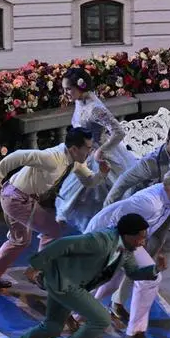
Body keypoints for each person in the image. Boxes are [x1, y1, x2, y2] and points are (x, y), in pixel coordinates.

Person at [0, 214, 163, 338]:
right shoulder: (101, 241)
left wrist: (155, 269)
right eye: (140, 237)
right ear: (128, 234)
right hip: (65, 282)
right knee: (102, 319)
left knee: (52, 327)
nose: (143, 242)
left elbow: (133, 273)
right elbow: (64, 244)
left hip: (70, 283)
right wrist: (34, 266)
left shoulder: (126, 251)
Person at [86, 169, 170, 338]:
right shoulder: (148, 203)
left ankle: (77, 315)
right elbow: (116, 223)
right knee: (148, 278)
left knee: (112, 283)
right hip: (108, 235)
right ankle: (135, 332)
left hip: (125, 238)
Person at [0, 127, 108, 291]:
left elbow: (89, 181)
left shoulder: (75, 161)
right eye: (88, 148)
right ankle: (37, 271)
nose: (90, 151)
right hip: (16, 199)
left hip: (14, 196)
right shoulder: (52, 158)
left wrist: (101, 174)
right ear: (74, 149)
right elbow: (18, 156)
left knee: (20, 241)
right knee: (52, 229)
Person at [55, 66, 137, 232]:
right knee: (78, 194)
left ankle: (104, 230)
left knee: (100, 195)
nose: (66, 93)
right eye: (65, 89)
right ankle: (93, 231)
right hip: (85, 154)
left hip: (99, 155)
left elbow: (119, 132)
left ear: (80, 86)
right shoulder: (79, 102)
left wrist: (101, 150)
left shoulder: (95, 108)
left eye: (69, 89)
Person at [105, 121, 170, 205]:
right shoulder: (149, 163)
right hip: (147, 204)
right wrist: (107, 210)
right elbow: (122, 183)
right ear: (167, 140)